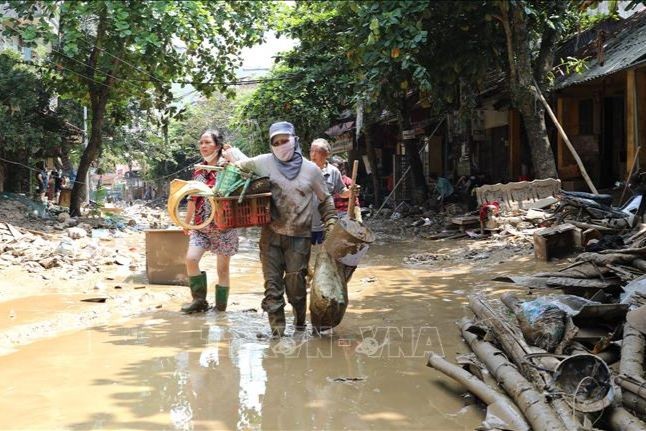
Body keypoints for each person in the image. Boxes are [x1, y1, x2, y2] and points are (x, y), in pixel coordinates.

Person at [235, 122, 338, 336]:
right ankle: (277, 336)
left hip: (300, 237)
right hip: (270, 235)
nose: (281, 145)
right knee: (272, 288)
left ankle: (300, 325)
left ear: (295, 140)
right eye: (276, 142)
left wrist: (331, 224)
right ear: (271, 144)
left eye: (285, 140)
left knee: (296, 289)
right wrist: (246, 186)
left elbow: (325, 199)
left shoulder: (311, 170)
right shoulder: (263, 162)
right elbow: (237, 169)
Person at [182, 129, 246, 314]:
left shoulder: (229, 166)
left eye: (207, 142)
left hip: (224, 227)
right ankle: (199, 301)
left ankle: (221, 310)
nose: (203, 146)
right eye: (201, 142)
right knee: (191, 259)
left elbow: (246, 174)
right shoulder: (199, 170)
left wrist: (232, 156)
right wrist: (187, 222)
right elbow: (193, 198)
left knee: (222, 270)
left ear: (217, 146)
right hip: (201, 226)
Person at [308, 139, 354, 244]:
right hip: (304, 225)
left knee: (325, 254)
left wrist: (351, 192)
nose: (313, 154)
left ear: (327, 154)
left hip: (326, 224)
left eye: (318, 151)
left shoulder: (333, 171)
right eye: (312, 151)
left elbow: (342, 192)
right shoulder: (303, 169)